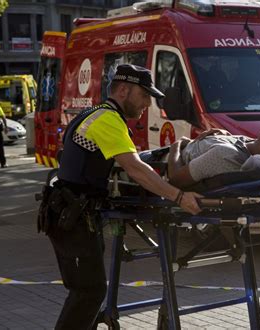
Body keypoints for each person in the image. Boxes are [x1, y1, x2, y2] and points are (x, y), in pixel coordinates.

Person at [37, 64, 202, 330]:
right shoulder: (108, 120)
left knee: (87, 292)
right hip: (72, 219)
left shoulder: (93, 114)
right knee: (88, 293)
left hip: (72, 215)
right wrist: (179, 196)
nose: (148, 103)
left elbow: (122, 161)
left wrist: (175, 152)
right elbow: (135, 168)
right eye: (144, 95)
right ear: (124, 90)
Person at [167, 127, 260, 189]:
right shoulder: (248, 145)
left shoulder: (225, 155)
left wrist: (177, 144)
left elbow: (175, 179)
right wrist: (224, 136)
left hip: (164, 163)